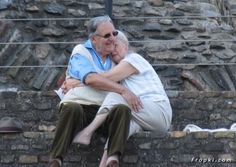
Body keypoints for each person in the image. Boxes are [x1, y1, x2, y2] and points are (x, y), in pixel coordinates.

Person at [48, 16, 142, 167]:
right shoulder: (81, 51)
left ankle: (113, 159)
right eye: (107, 35)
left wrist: (78, 83)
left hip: (104, 112)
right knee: (71, 108)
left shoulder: (115, 60)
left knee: (123, 110)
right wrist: (121, 90)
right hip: (82, 109)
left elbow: (94, 80)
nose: (112, 39)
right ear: (94, 40)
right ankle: (56, 160)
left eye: (114, 33)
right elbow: (91, 79)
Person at [73, 30, 173, 166]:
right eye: (111, 47)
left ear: (126, 46)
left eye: (116, 45)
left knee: (115, 96)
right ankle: (108, 160)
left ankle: (88, 131)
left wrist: (76, 83)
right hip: (145, 115)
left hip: (158, 110)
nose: (113, 50)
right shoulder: (122, 71)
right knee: (123, 123)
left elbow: (105, 78)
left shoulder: (132, 59)